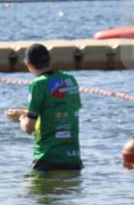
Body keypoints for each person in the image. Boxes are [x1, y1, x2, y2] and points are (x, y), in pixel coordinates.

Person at [5, 43, 83, 171]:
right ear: (49, 60)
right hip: (73, 159)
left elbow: (29, 128)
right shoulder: (70, 79)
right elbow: (59, 109)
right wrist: (24, 112)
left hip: (47, 158)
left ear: (28, 64)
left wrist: (20, 118)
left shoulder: (38, 84)